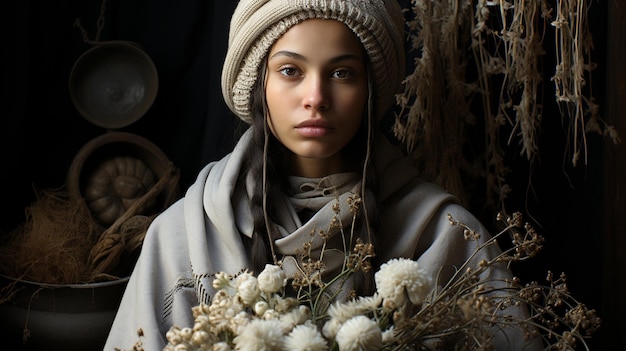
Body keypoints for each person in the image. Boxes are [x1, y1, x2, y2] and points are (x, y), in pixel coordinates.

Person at [105, 0, 542, 350]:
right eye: (290, 70)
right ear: (260, 85)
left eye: (341, 73)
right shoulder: (180, 238)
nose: (316, 97)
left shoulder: (446, 238)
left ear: (370, 89)